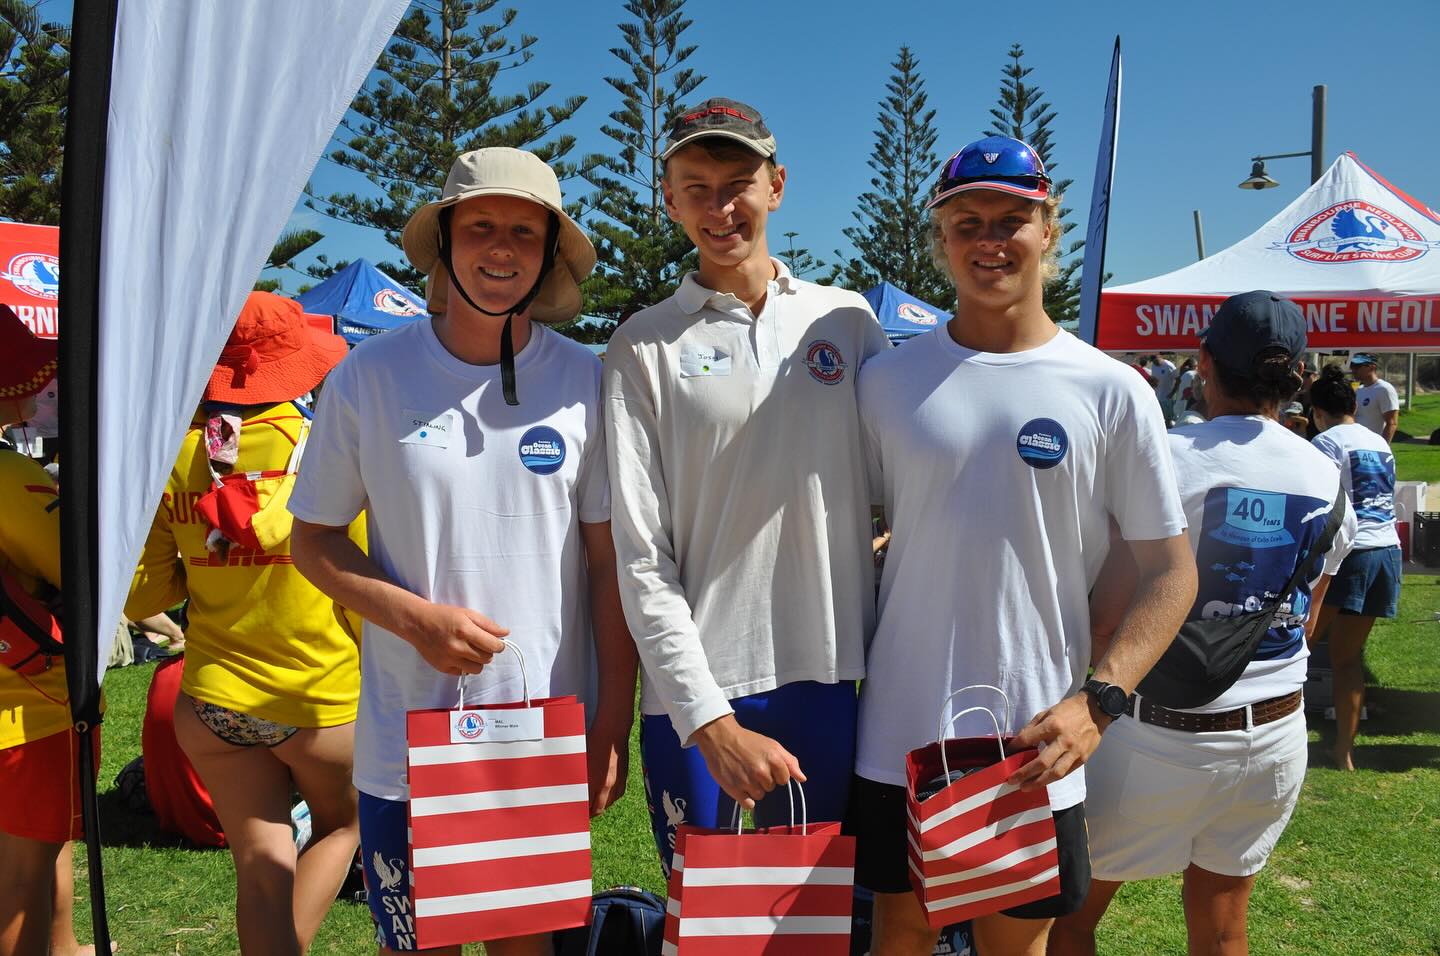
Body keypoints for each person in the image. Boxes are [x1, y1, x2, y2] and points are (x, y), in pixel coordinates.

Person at [849, 135, 1196, 956]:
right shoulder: (885, 383)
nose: (989, 241)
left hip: (1036, 737)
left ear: (1049, 230)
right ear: (941, 240)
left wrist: (1099, 703)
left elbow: (1171, 573)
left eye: (1011, 220)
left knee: (1017, 947)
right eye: (967, 223)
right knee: (900, 936)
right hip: (897, 730)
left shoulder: (1112, 391)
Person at [289, 147, 634, 956]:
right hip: (405, 737)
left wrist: (613, 721)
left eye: (525, 231)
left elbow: (607, 565)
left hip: (538, 735)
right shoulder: (369, 376)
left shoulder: (586, 381)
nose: (502, 248)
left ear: (550, 252)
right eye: (480, 226)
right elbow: (314, 539)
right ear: (444, 241)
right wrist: (414, 619)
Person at [603, 97, 889, 873]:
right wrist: (708, 720)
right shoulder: (641, 346)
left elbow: (900, 482)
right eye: (696, 188)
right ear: (669, 201)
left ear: (778, 186)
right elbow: (640, 555)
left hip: (828, 679)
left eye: (738, 184)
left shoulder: (846, 322)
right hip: (697, 693)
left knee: (810, 919)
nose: (719, 207)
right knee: (707, 924)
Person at [1051, 291, 1357, 956]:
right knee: (1222, 926)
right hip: (1274, 736)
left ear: (1204, 364)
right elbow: (1308, 618)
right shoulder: (1328, 474)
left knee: (1068, 920)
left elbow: (1109, 621)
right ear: (1296, 374)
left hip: (1153, 734)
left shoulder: (1165, 455)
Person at [127, 292, 363, 955]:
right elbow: (360, 589)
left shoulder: (174, 456)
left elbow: (144, 593)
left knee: (261, 868)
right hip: (319, 699)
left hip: (211, 702)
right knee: (343, 829)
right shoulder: (330, 448)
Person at [0, 306, 101, 956]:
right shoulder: (9, 475)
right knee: (19, 876)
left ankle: (62, 946)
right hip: (26, 703)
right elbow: (76, 566)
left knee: (37, 848)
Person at [1309, 363, 1402, 771]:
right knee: (1347, 658)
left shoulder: (1325, 443)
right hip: (1386, 549)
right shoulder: (1379, 441)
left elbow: (1319, 503)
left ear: (1317, 413)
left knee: (1296, 649)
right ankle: (1344, 751)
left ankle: (1277, 738)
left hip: (1348, 553)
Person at [1350, 353, 1399, 442]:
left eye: (1357, 366)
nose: (1353, 370)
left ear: (1372, 367)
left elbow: (1392, 423)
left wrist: (1382, 447)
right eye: (1352, 366)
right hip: (1358, 443)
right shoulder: (1359, 390)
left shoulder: (1384, 389)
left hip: (1374, 445)